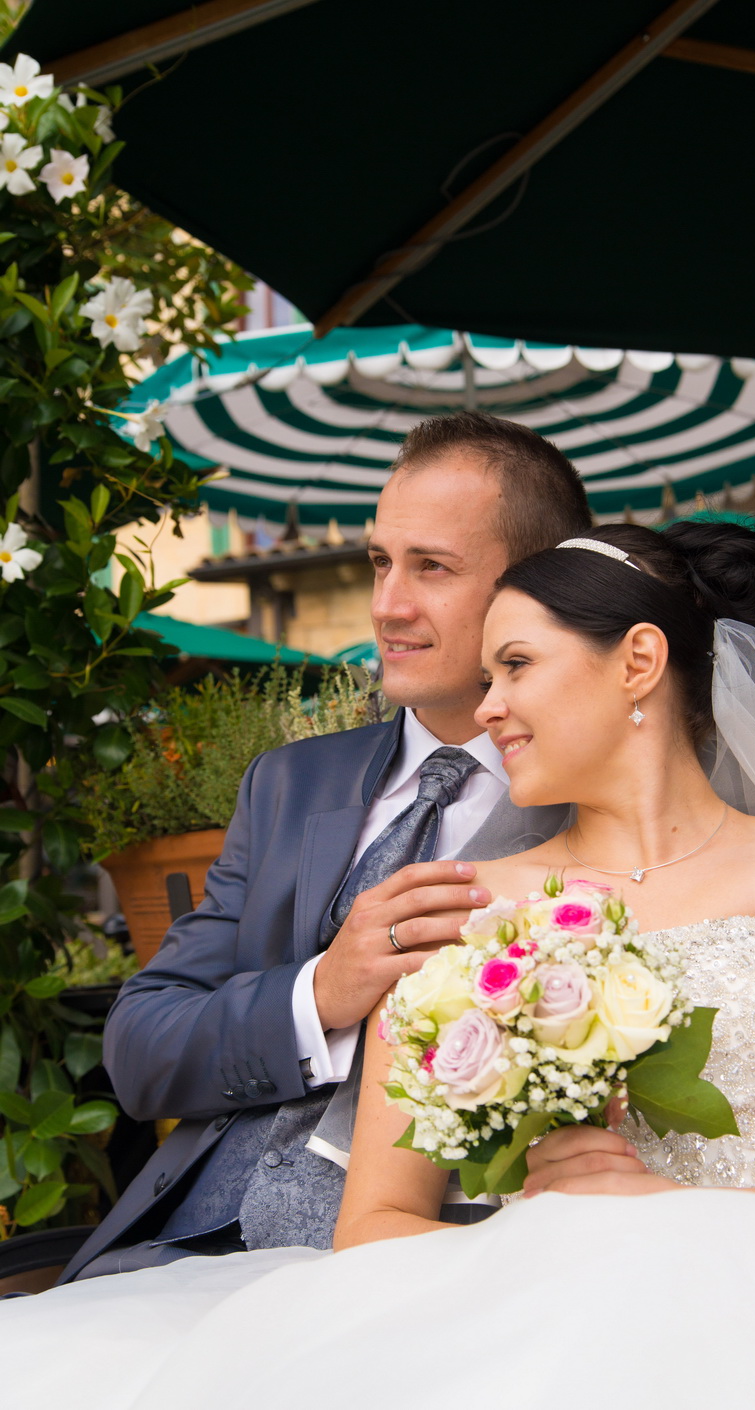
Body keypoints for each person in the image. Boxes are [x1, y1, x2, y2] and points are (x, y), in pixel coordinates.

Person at [6, 519, 755, 1410]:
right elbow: (373, 1223)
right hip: (563, 1323)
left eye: (517, 667)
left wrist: (677, 1216)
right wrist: (538, 1225)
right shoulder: (459, 908)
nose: (487, 708)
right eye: (488, 674)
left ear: (640, 662)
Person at [59, 410, 594, 1282]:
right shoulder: (289, 784)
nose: (387, 604)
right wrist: (320, 996)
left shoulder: (601, 798)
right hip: (188, 1243)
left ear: (536, 590)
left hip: (427, 1268)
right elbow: (140, 1047)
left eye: (433, 568)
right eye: (382, 561)